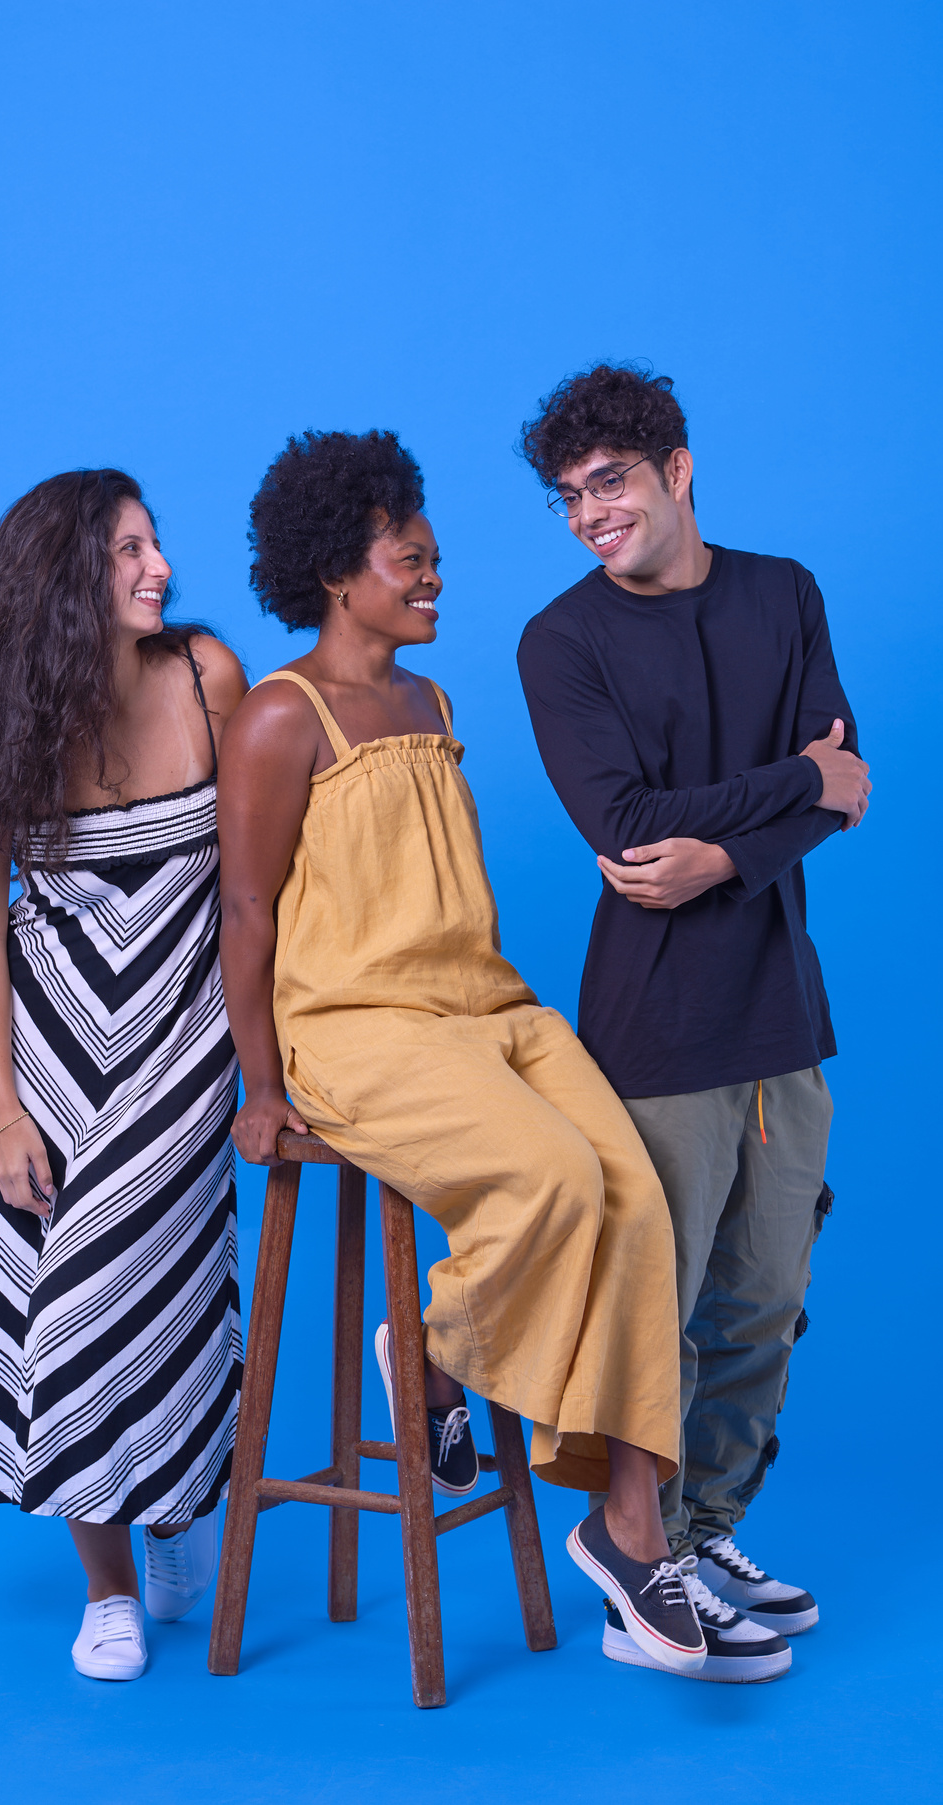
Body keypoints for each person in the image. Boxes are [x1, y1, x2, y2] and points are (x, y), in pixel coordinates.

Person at [217, 428, 707, 1676]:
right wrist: (260, 1085)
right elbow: (249, 909)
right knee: (547, 1179)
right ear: (339, 571)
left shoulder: (432, 705)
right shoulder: (283, 715)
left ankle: (628, 1526)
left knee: (634, 1199)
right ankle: (429, 1351)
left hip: (486, 1010)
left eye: (433, 560)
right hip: (359, 1027)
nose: (433, 578)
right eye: (409, 560)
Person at [517, 364, 870, 1684]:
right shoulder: (559, 642)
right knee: (652, 1305)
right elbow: (623, 829)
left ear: (677, 468)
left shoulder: (783, 593)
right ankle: (634, 1548)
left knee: (765, 1294)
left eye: (608, 482)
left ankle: (703, 1536)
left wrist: (725, 853)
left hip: (780, 1008)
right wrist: (797, 781)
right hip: (653, 1017)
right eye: (566, 497)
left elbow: (851, 793)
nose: (587, 514)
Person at [0, 468, 248, 1682]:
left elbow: (264, 878)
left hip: (181, 1033)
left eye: (156, 543)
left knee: (151, 1298)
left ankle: (169, 1505)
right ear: (66, 574)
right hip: (39, 1053)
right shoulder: (1, 716)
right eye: (127, 549)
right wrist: (4, 1110)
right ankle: (108, 1583)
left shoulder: (208, 677)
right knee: (53, 1318)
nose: (157, 566)